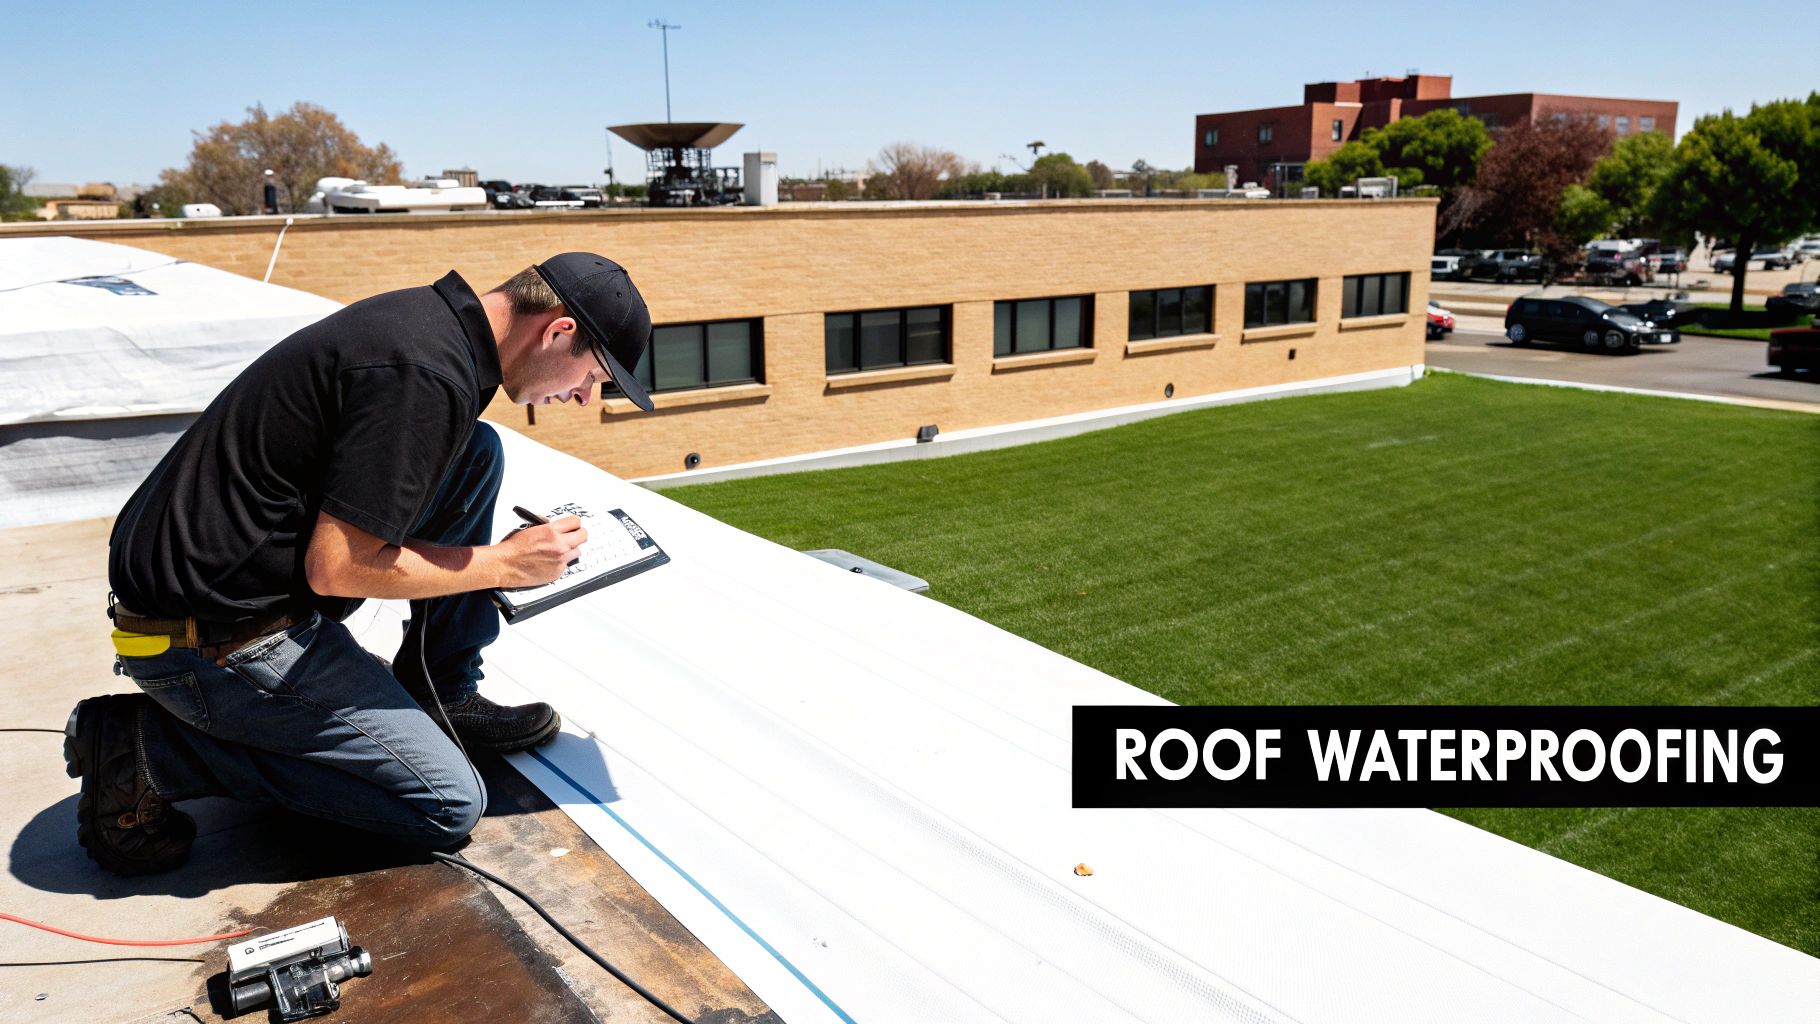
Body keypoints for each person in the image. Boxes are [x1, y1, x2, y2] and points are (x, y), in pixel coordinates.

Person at [65, 253, 656, 876]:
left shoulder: (431, 326)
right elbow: (340, 568)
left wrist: (494, 562)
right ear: (558, 330)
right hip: (212, 643)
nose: (585, 395)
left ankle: (442, 691)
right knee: (444, 805)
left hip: (225, 599)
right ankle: (154, 750)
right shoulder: (424, 374)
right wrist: (505, 565)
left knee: (476, 452)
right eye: (594, 374)